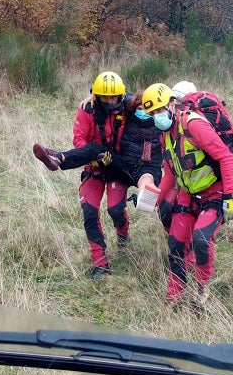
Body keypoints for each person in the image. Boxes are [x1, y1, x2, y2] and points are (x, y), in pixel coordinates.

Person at [33, 72, 163, 278]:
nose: (110, 101)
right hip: (93, 168)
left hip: (116, 168)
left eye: (114, 97)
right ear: (98, 97)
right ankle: (100, 264)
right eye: (105, 97)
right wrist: (93, 161)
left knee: (115, 210)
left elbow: (139, 99)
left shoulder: (126, 107)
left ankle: (123, 236)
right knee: (90, 213)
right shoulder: (87, 110)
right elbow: (79, 140)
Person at [141, 82, 233, 311]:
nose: (157, 116)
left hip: (214, 191)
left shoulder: (193, 125)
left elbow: (225, 158)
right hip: (188, 193)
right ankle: (173, 295)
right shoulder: (165, 135)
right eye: (152, 113)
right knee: (175, 245)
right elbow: (169, 173)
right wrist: (152, 200)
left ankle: (202, 289)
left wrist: (230, 197)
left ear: (172, 104)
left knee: (202, 241)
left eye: (160, 110)